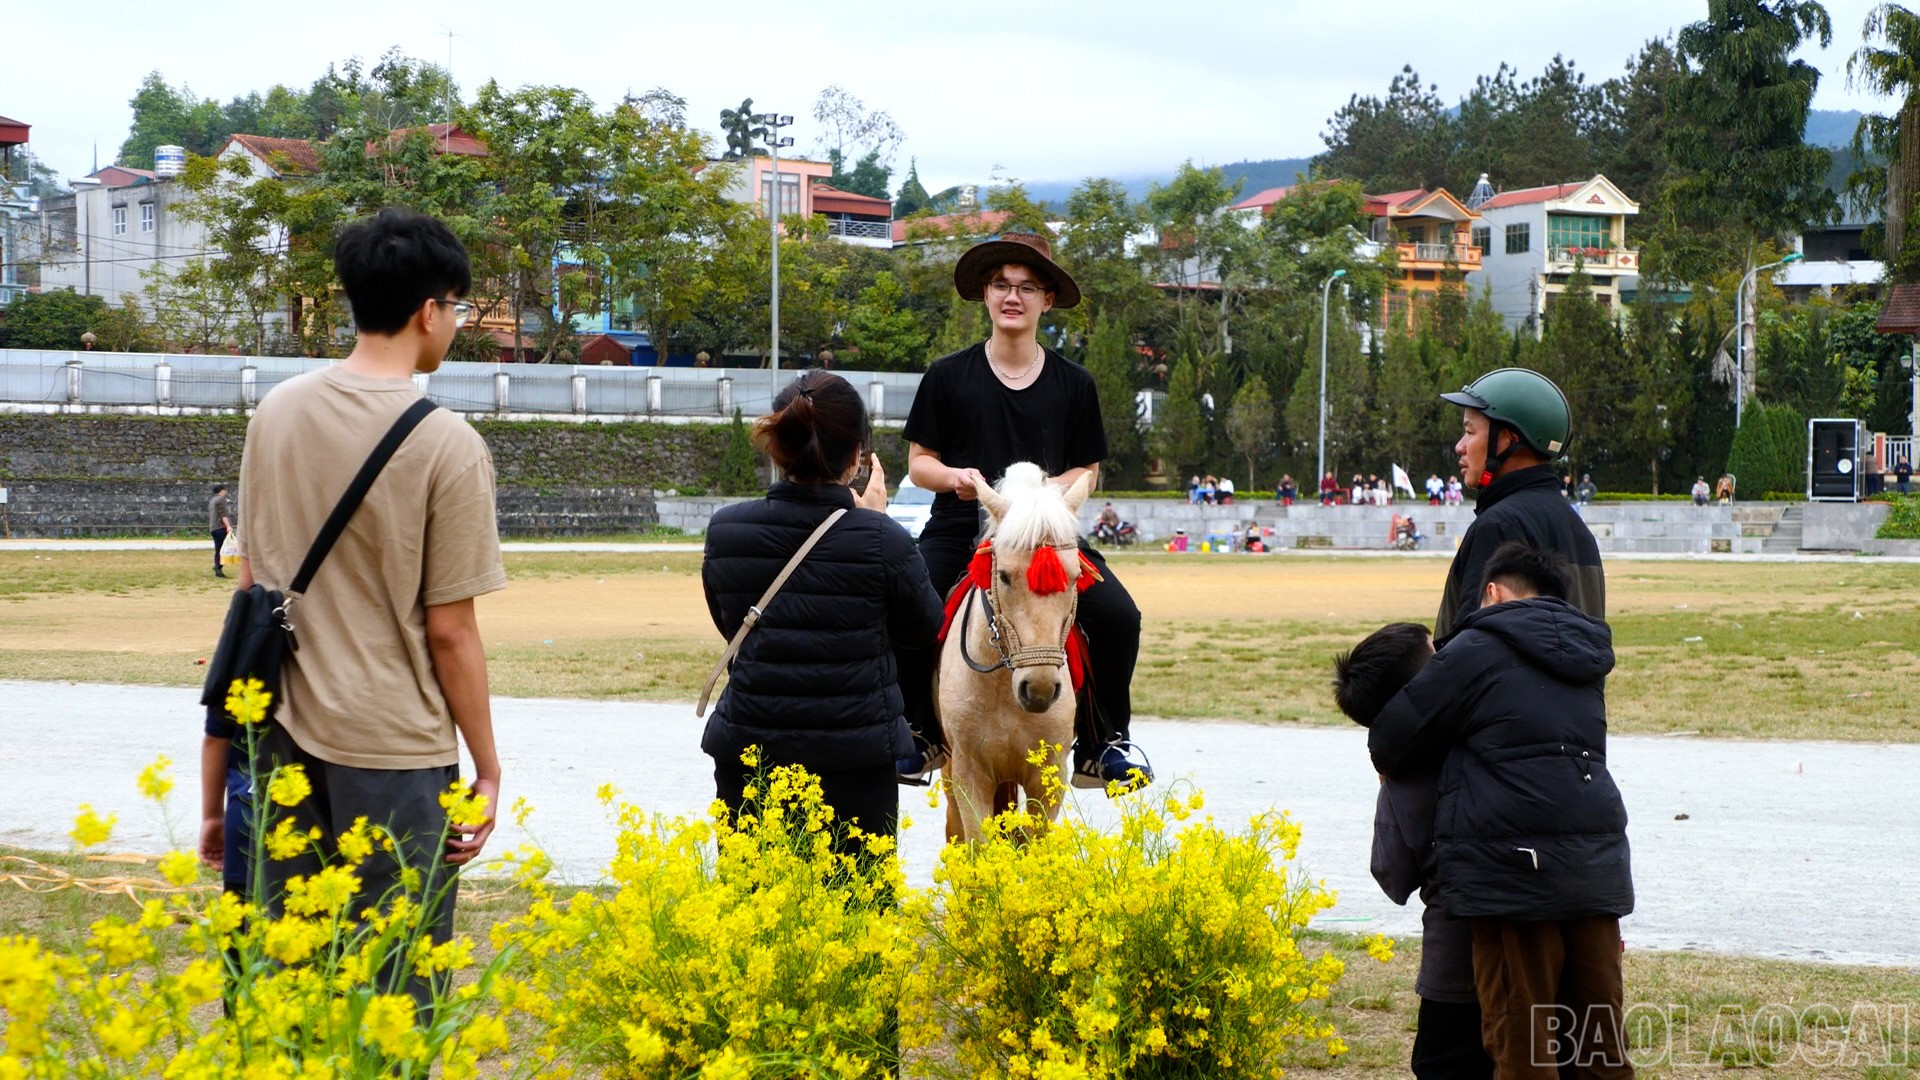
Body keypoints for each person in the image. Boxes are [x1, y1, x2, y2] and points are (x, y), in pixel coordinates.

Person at [224, 208, 505, 1004]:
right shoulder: (447, 443)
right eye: (456, 309)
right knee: (394, 986)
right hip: (395, 752)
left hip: (277, 736)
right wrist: (487, 766)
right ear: (430, 311)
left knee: (287, 978)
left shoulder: (273, 413)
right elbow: (450, 631)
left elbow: (252, 582)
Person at [1365, 543, 1634, 1079]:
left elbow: (1391, 735)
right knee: (1599, 1050)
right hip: (1596, 870)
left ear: (1492, 593)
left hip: (1513, 877)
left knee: (1522, 1047)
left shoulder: (1479, 644)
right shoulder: (1585, 656)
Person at [897, 231, 1151, 791]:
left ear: (1046, 299)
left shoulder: (1073, 384)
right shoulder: (947, 375)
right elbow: (920, 465)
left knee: (1117, 616)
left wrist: (1043, 493)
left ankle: (1105, 743)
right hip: (962, 527)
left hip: (1047, 536)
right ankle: (915, 732)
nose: (1013, 297)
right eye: (1001, 285)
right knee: (908, 607)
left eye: (1026, 287)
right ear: (985, 295)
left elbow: (1087, 472)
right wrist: (957, 477)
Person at [1408, 365, 1604, 1075]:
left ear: (1509, 441)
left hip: (1495, 816)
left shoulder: (1502, 525)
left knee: (1457, 1047)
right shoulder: (1569, 523)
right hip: (1571, 805)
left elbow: (1466, 673)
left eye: (1470, 430)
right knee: (1571, 1036)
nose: (1459, 446)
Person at [701, 371, 943, 847]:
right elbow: (924, 629)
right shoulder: (882, 538)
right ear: (857, 457)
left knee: (751, 906)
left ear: (778, 448)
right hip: (854, 757)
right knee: (857, 907)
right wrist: (871, 522)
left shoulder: (726, 530)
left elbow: (730, 624)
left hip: (750, 749)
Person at [207, 484, 234, 578]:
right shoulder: (221, 500)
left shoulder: (212, 500)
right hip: (220, 527)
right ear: (222, 490)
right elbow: (223, 515)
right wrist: (228, 526)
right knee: (223, 549)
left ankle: (217, 566)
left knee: (218, 549)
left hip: (213, 527)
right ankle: (218, 566)